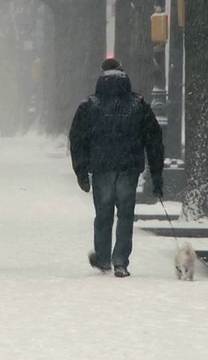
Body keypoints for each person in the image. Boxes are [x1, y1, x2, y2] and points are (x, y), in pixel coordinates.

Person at [68, 58, 164, 278]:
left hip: (101, 167)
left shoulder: (90, 105)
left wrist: (81, 171)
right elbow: (154, 140)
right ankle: (120, 261)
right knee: (125, 214)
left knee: (103, 214)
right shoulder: (138, 104)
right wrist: (156, 176)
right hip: (128, 168)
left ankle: (102, 258)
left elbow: (77, 139)